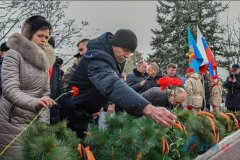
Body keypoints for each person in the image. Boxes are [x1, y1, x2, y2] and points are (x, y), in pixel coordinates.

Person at [61, 29, 177, 137]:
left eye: (130, 52)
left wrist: (100, 105)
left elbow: (105, 87)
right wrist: (148, 108)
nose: (127, 55)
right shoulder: (97, 57)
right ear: (113, 44)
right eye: (125, 50)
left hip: (88, 113)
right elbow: (111, 84)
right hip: (73, 115)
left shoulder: (115, 58)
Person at [0, 15, 56, 159]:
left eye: (47, 37)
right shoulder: (14, 55)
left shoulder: (44, 61)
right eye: (40, 35)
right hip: (12, 120)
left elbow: (45, 93)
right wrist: (35, 103)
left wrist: (44, 125)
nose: (44, 40)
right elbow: (9, 89)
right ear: (28, 35)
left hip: (34, 122)